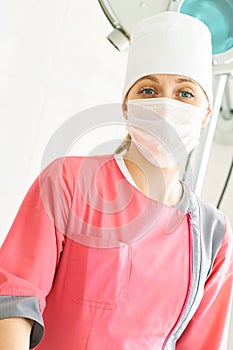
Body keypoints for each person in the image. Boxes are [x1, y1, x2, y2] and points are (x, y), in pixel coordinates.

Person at [0, 11, 233, 350]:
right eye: (149, 90)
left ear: (206, 114)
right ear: (126, 106)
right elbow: (14, 299)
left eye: (185, 94)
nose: (166, 106)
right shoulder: (69, 182)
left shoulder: (213, 236)